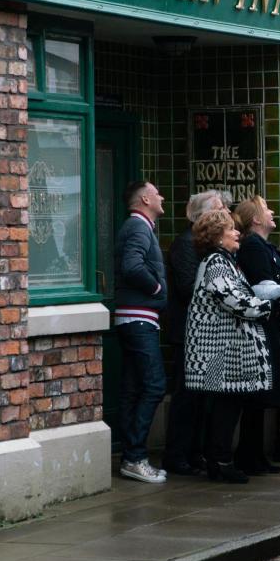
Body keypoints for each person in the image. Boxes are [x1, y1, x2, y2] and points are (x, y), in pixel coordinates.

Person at [184, 210, 280, 484]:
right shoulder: (216, 263)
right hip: (218, 353)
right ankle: (220, 461)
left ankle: (219, 459)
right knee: (225, 407)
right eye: (231, 229)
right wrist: (269, 305)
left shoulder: (225, 261)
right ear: (217, 236)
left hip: (224, 350)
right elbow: (234, 300)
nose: (238, 233)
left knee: (226, 406)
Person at [234, 196, 280, 470]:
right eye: (266, 209)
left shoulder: (265, 247)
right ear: (255, 219)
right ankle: (249, 454)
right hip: (263, 327)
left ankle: (255, 453)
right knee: (258, 393)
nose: (272, 212)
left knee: (266, 392)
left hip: (273, 326)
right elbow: (262, 286)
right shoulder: (253, 246)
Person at [163, 190, 227, 476]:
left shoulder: (207, 247)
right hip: (188, 333)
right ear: (202, 216)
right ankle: (177, 455)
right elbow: (188, 287)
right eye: (218, 209)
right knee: (187, 397)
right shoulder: (185, 245)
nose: (225, 212)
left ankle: (196, 452)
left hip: (206, 332)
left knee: (205, 399)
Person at [113, 181, 168, 483]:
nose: (161, 197)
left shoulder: (140, 227)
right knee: (154, 385)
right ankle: (135, 457)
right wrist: (157, 287)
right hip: (139, 319)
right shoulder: (137, 227)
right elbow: (132, 265)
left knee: (134, 388)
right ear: (145, 199)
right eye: (157, 193)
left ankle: (131, 456)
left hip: (137, 318)